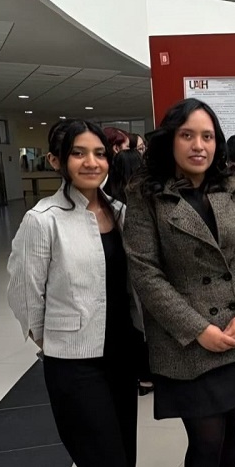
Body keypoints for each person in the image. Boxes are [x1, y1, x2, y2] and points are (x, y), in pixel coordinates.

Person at [122, 98, 235, 467]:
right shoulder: (146, 194)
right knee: (206, 439)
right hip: (187, 343)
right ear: (170, 140)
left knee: (230, 430)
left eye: (207, 136)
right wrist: (198, 330)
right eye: (187, 135)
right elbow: (145, 273)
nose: (198, 145)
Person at [7, 119, 139, 467]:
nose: (91, 162)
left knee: (125, 462)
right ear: (57, 160)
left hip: (121, 354)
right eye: (78, 153)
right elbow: (24, 294)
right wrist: (54, 341)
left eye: (99, 153)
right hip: (74, 365)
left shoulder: (119, 212)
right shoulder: (43, 219)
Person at [104, 148, 154, 396]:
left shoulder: (110, 200)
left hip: (117, 279)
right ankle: (147, 376)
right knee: (142, 324)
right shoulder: (141, 196)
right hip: (137, 276)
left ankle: (140, 376)